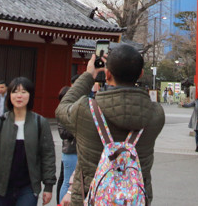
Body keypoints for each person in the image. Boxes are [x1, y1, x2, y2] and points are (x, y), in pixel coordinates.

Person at [56, 43, 165, 206]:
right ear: (141, 74)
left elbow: (62, 108)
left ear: (107, 75)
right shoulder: (156, 115)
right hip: (134, 199)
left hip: (90, 198)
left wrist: (88, 75)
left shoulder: (86, 110)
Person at [0, 76, 56, 206]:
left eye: (23, 92)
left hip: (29, 186)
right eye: (15, 92)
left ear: (30, 95)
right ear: (9, 95)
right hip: (3, 188)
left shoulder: (40, 123)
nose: (19, 96)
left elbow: (48, 155)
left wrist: (48, 186)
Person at [56, 86, 77, 201]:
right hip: (70, 151)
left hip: (78, 150)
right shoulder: (62, 112)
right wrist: (77, 129)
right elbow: (63, 133)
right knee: (67, 181)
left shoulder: (76, 110)